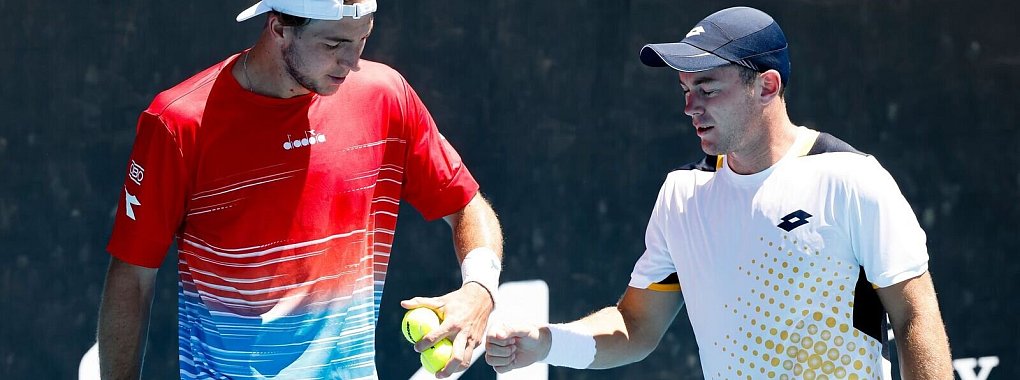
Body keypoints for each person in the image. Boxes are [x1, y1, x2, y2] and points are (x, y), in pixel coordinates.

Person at [485, 6, 952, 379]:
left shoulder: (851, 179)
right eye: (685, 89)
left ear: (766, 86)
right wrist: (547, 342)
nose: (690, 107)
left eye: (707, 89)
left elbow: (914, 316)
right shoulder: (680, 198)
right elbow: (635, 327)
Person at [97, 0, 504, 379]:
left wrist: (480, 288)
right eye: (334, 43)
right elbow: (133, 277)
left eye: (363, 39)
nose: (352, 62)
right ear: (278, 29)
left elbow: (467, 206)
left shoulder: (386, 97)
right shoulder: (176, 124)